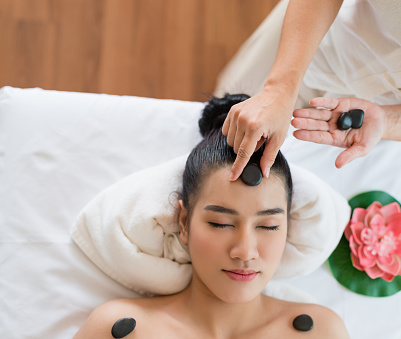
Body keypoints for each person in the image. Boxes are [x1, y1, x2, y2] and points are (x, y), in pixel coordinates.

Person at [73, 94, 349, 338]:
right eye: (221, 223)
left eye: (268, 226)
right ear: (183, 223)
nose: (245, 251)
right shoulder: (121, 329)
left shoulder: (320, 331)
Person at [221, 0, 401, 180]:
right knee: (222, 134)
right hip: (305, 47)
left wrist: (386, 121)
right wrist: (279, 87)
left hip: (358, 129)